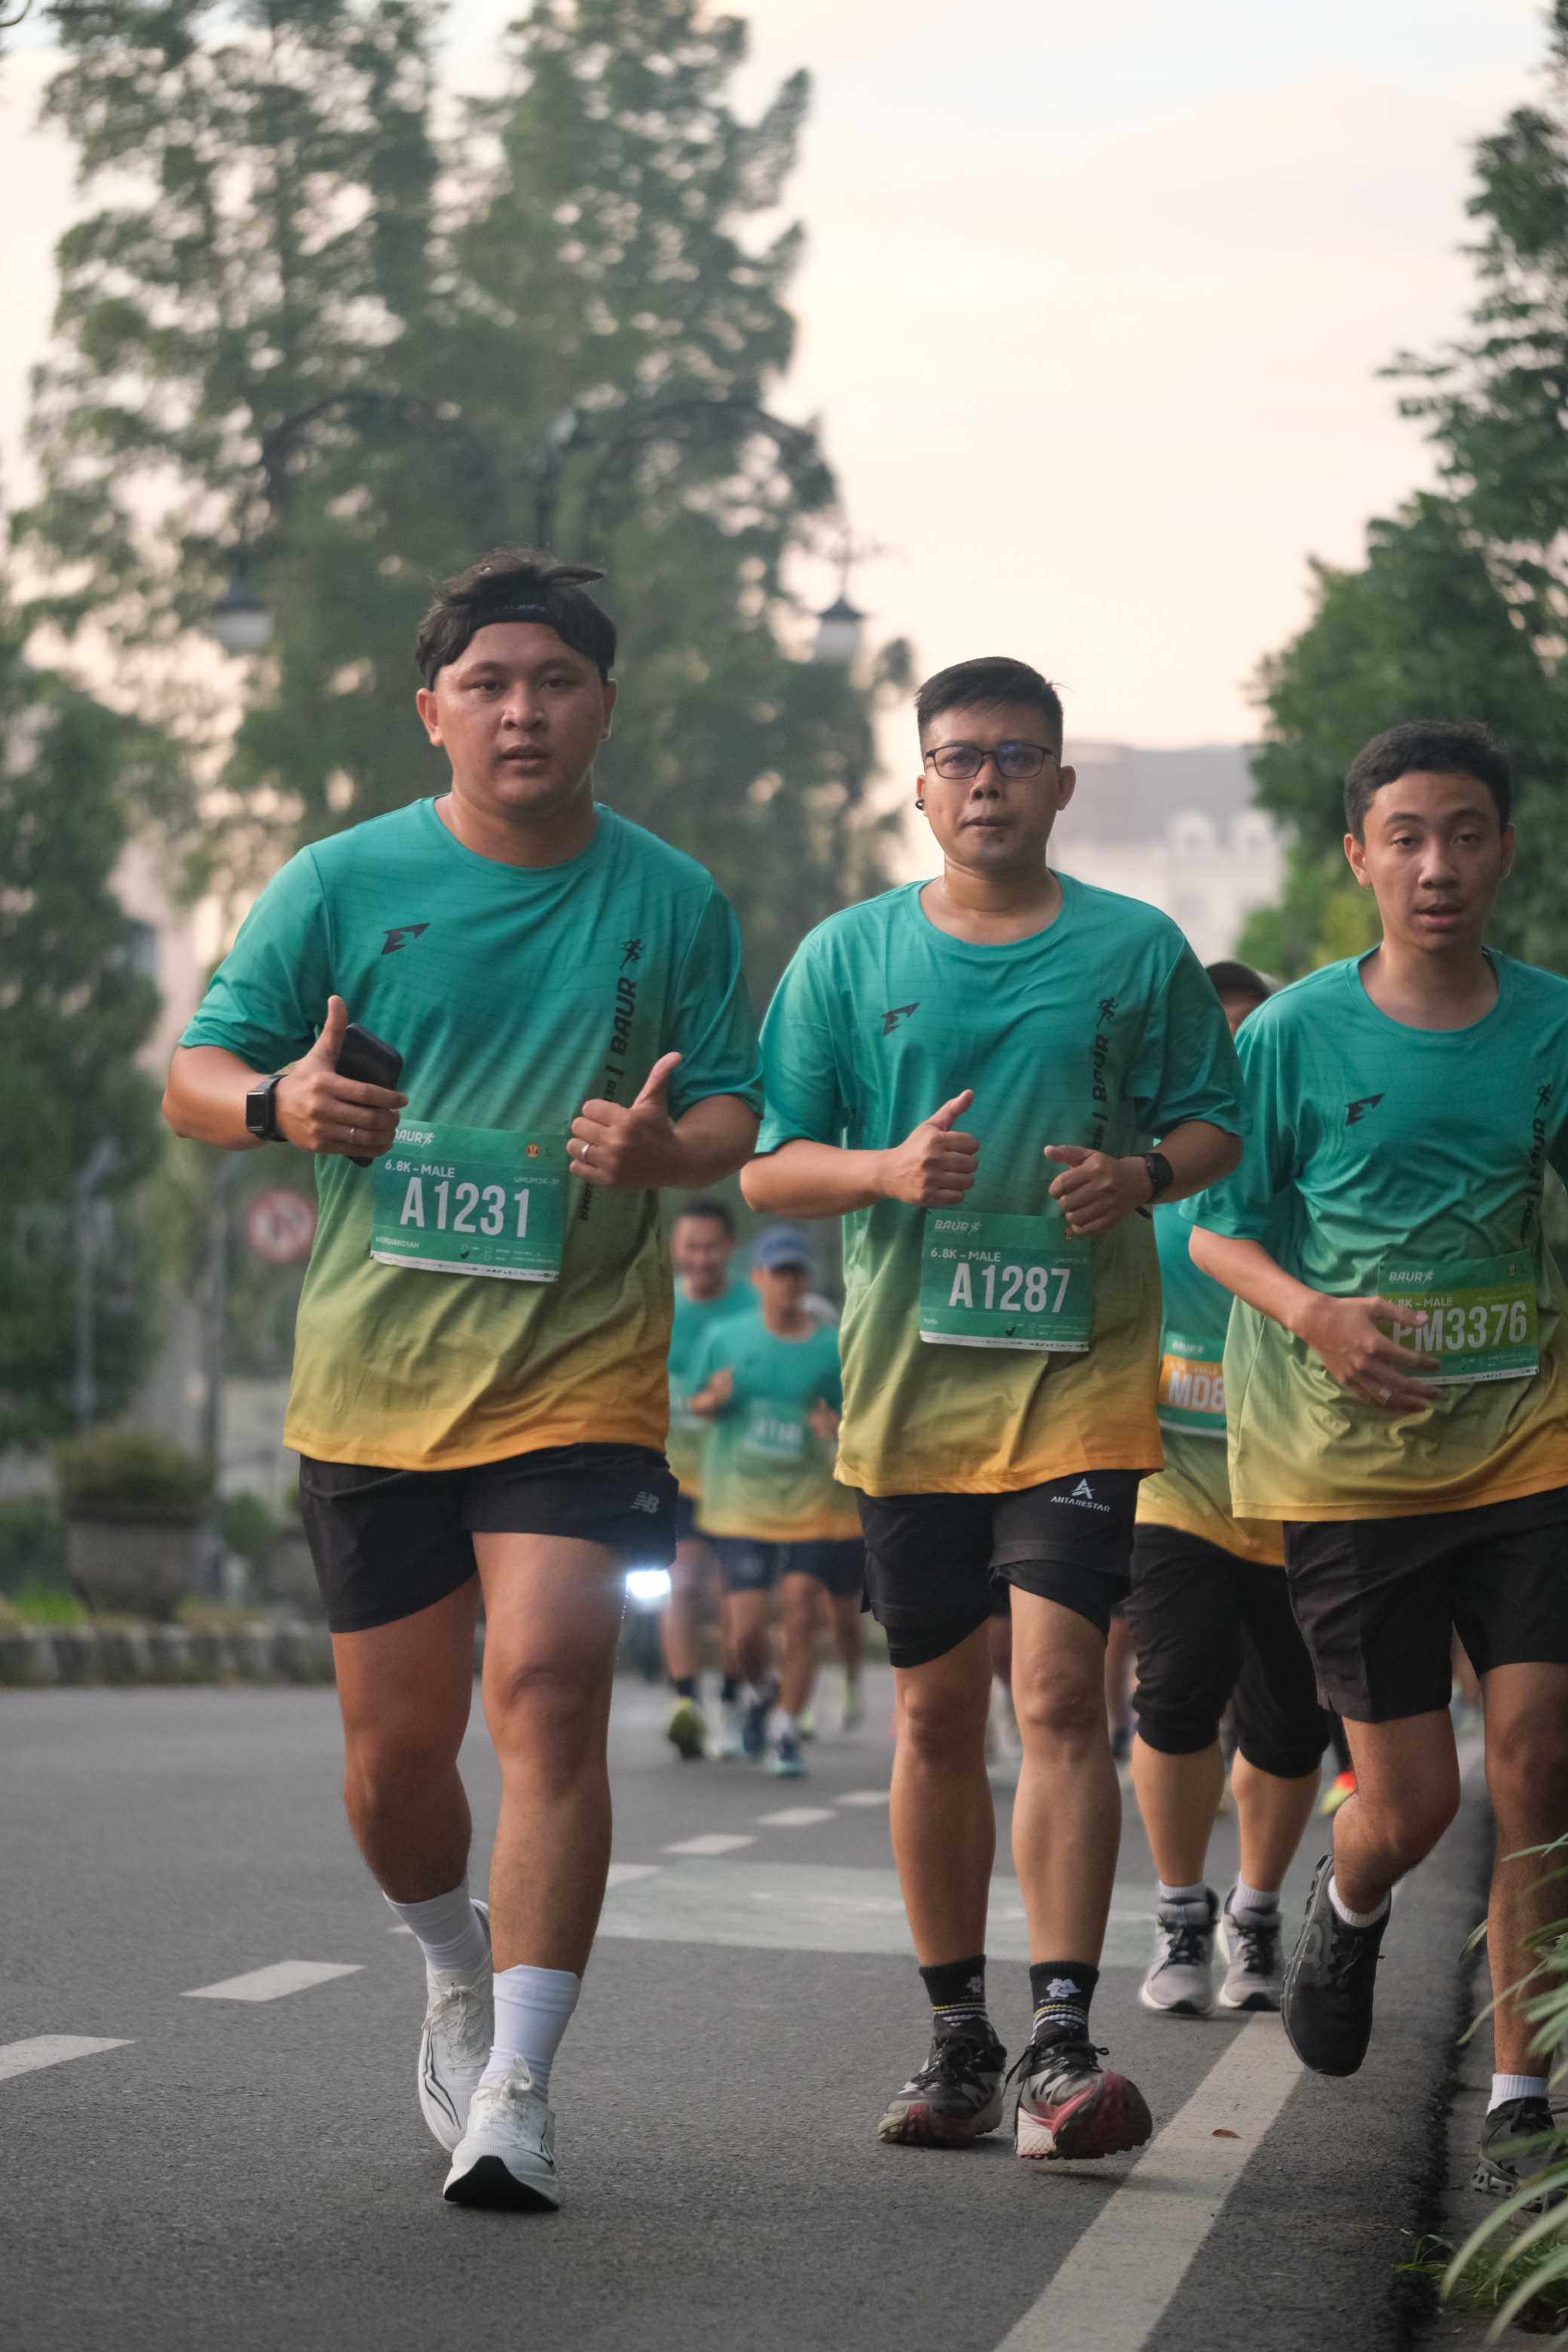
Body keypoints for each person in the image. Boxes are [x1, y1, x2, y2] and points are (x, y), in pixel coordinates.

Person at [164, 548, 761, 2214]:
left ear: (604, 707)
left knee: (553, 1686)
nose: (522, 710)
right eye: (488, 684)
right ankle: (450, 1961)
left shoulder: (671, 899)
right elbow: (194, 1074)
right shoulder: (340, 880)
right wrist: (278, 1104)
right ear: (432, 710)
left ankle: (519, 2085)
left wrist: (664, 1152)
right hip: (375, 1377)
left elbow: (731, 1110)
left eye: (554, 682)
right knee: (394, 1761)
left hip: (579, 1371)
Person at [742, 655, 1243, 2162]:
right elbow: (769, 1164)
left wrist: (1139, 1175)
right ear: (918, 785)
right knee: (935, 1711)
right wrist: (883, 1171)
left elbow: (1211, 1124)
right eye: (958, 756)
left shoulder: (1135, 948)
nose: (986, 780)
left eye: (1016, 756)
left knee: (1059, 1695)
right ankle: (957, 2036)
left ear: (1060, 783)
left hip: (1077, 1380)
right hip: (911, 1396)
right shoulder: (844, 956)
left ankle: (1060, 2038)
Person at [1188, 719, 1568, 2202]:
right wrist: (1315, 1317)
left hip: (1525, 1442)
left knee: (1538, 1758)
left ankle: (1522, 2089)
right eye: (1405, 837)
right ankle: (1345, 1904)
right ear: (1358, 856)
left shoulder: (1549, 1024)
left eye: (1464, 834)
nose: (1436, 865)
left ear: (1502, 852)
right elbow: (1214, 1231)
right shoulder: (1289, 1036)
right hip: (1346, 1470)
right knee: (1408, 1804)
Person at [1129, 959, 1330, 2019]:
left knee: (1289, 1727)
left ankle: (1254, 1913)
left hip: (1297, 1486)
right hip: (1175, 1485)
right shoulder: (1138, 1182)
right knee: (1174, 1693)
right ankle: (1179, 1914)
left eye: (1253, 1050)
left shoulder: (1315, 1181)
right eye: (1215, 1050)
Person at [686, 1226, 862, 1775]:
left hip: (810, 1501)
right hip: (742, 1500)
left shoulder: (831, 1348)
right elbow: (696, 1400)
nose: (788, 1282)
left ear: (806, 1279)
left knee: (803, 1609)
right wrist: (713, 1400)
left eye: (797, 1272)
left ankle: (787, 1727)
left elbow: (853, 1417)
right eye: (778, 1272)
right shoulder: (725, 1337)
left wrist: (836, 1427)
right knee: (744, 1630)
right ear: (758, 1277)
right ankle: (761, 1690)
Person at [663, 1198, 754, 1760]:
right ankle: (687, 1704)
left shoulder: (753, 1310)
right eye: (690, 1247)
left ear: (729, 1247)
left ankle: (731, 1697)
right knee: (679, 1585)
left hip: (737, 1479)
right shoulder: (658, 1303)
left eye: (711, 1247)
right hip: (673, 1475)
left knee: (732, 1601)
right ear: (676, 1249)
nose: (700, 1258)